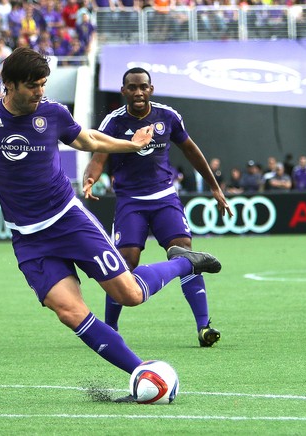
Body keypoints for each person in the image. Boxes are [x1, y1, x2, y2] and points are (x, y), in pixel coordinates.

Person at [0, 31, 222, 389]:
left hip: (69, 222)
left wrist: (129, 144)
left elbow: (88, 139)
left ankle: (184, 261)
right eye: (33, 86)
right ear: (9, 85)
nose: (40, 92)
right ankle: (140, 372)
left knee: (128, 295)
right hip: (29, 239)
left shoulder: (52, 113)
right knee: (70, 312)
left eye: (43, 84)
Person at [83, 67, 231, 347]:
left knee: (186, 256)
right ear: (123, 90)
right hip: (131, 202)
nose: (138, 92)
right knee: (125, 265)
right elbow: (99, 155)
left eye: (143, 87)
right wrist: (90, 178)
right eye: (132, 87)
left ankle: (204, 327)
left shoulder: (168, 116)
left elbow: (191, 150)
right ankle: (110, 328)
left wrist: (214, 186)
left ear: (151, 89)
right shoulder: (113, 122)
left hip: (165, 198)